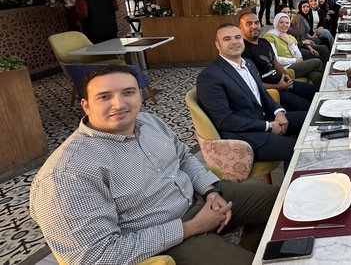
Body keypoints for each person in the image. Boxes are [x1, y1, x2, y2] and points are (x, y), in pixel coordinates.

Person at [30, 65, 278, 265]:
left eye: (128, 92)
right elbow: (94, 256)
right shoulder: (67, 173)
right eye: (105, 96)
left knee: (281, 204)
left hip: (199, 198)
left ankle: (249, 248)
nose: (119, 104)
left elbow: (183, 156)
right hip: (164, 240)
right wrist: (191, 227)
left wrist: (210, 190)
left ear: (140, 94)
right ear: (86, 105)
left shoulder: (148, 121)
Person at [196, 24, 306, 163]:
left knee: (309, 118)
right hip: (246, 136)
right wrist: (268, 126)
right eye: (227, 39)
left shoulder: (248, 63)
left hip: (264, 118)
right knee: (298, 150)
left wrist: (279, 112)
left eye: (237, 37)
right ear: (218, 45)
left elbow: (263, 94)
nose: (234, 42)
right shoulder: (210, 77)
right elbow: (225, 120)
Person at [239, 13, 316, 111]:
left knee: (315, 92)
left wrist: (286, 76)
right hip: (271, 91)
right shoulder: (243, 50)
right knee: (307, 107)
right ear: (240, 27)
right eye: (249, 23)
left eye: (256, 23)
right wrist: (278, 87)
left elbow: (275, 62)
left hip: (282, 82)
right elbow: (252, 82)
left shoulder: (264, 42)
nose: (254, 26)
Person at [263, 13, 324, 86]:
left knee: (317, 75)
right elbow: (276, 60)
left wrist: (289, 42)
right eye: (281, 22)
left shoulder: (290, 37)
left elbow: (299, 56)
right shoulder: (269, 37)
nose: (285, 25)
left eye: (287, 23)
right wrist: (295, 60)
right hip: (284, 68)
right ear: (276, 23)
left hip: (295, 65)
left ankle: (323, 91)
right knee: (317, 62)